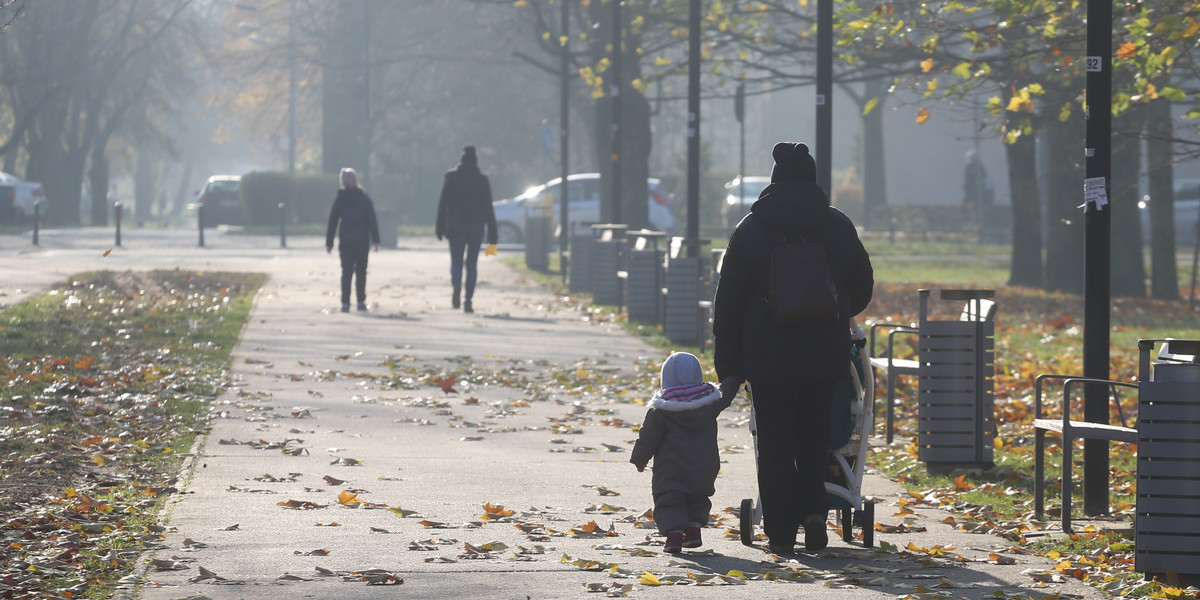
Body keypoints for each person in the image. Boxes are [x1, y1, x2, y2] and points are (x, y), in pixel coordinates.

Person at [712, 142, 873, 554]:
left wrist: (728, 367)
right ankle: (815, 513)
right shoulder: (837, 226)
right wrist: (834, 311)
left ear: (774, 181)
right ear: (813, 179)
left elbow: (727, 304)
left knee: (775, 443)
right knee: (814, 437)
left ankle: (781, 532)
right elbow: (862, 286)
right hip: (823, 355)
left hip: (768, 359)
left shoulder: (750, 230)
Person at [630, 352, 740, 554]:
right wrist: (737, 374)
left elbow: (648, 438)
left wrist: (639, 459)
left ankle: (673, 536)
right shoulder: (710, 403)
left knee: (669, 500)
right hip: (704, 467)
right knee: (698, 497)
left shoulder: (661, 410)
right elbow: (728, 390)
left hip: (670, 470)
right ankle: (694, 531)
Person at [435, 145, 498, 313]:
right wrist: (493, 237)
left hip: (456, 225)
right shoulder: (482, 180)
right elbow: (488, 208)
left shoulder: (451, 177)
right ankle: (468, 300)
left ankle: (456, 284)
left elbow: (443, 203)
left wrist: (439, 227)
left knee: (456, 261)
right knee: (471, 264)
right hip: (476, 226)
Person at [325, 167, 380, 313]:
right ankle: (361, 301)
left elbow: (333, 222)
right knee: (361, 271)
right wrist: (376, 240)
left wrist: (329, 243)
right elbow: (371, 220)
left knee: (346, 271)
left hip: (346, 240)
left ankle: (345, 303)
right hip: (362, 240)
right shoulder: (364, 199)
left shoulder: (340, 199)